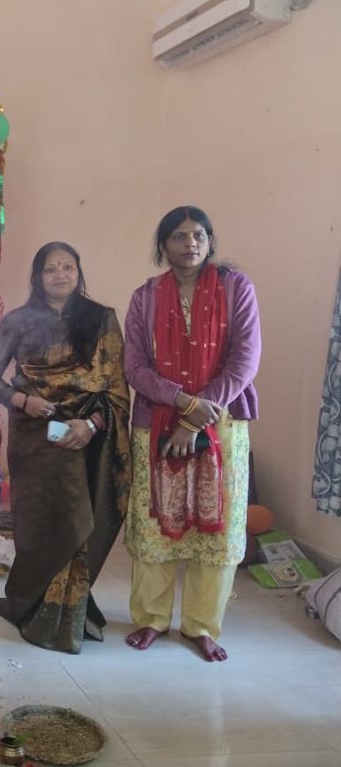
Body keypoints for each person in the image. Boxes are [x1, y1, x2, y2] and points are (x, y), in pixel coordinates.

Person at [0, 242, 131, 654]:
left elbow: (115, 385)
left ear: (79, 273)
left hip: (87, 435)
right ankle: (34, 604)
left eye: (68, 267)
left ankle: (66, 612)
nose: (60, 275)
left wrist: (92, 424)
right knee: (39, 524)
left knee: (78, 522)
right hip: (35, 435)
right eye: (51, 268)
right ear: (37, 276)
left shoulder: (101, 319)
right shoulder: (19, 320)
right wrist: (22, 400)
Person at [123, 206, 260, 663]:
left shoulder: (236, 288)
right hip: (158, 422)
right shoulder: (145, 297)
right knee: (154, 524)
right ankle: (151, 618)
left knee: (217, 528)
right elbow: (134, 366)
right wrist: (183, 402)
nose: (190, 243)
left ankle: (201, 625)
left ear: (210, 241)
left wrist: (197, 416)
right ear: (163, 246)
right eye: (179, 236)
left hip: (221, 421)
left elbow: (245, 358)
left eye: (198, 235)